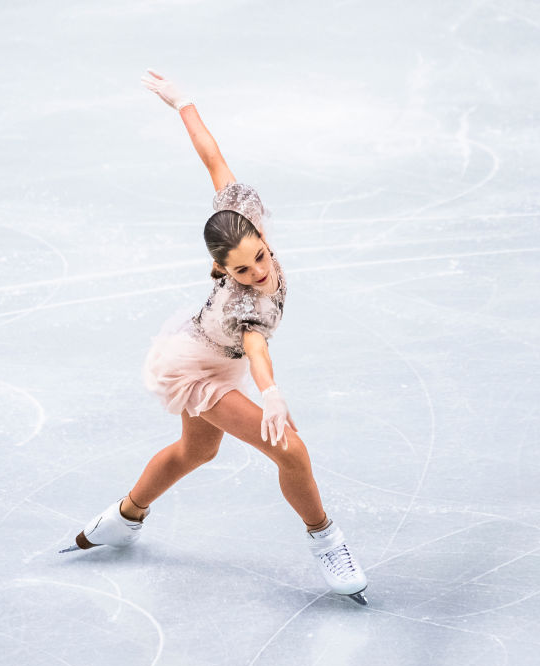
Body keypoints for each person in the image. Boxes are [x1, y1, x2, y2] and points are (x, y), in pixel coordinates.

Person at [61, 70, 368, 605]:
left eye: (261, 257)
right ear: (221, 268)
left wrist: (185, 103)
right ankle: (327, 541)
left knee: (194, 452)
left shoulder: (241, 215)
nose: (259, 272)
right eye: (243, 271)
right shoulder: (246, 305)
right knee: (291, 452)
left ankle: (124, 517)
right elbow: (256, 349)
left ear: (259, 233)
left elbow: (213, 159)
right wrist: (269, 394)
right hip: (196, 368)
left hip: (206, 350)